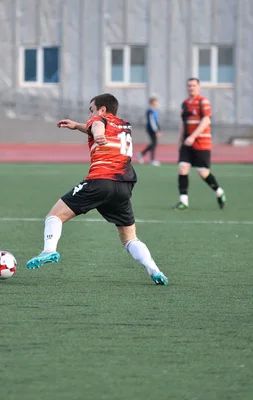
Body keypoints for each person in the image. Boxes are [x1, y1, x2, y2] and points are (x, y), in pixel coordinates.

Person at [25, 93, 168, 285]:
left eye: (91, 109)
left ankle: (49, 250)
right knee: (129, 238)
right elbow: (96, 127)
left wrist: (98, 134)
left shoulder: (99, 120)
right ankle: (154, 270)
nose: (90, 114)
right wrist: (77, 126)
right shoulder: (124, 125)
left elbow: (97, 126)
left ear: (102, 109)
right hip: (124, 187)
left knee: (54, 216)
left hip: (100, 181)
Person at [174, 78, 226, 210]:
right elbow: (183, 123)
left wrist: (193, 136)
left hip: (201, 142)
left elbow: (206, 120)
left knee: (203, 173)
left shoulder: (203, 101)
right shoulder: (185, 104)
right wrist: (180, 141)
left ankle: (219, 192)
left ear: (199, 87)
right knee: (183, 168)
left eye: (194, 85)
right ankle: (183, 201)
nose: (191, 87)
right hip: (187, 143)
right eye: (189, 85)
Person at [137, 96, 162, 166]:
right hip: (151, 130)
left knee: (153, 144)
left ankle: (141, 154)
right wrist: (156, 131)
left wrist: (159, 129)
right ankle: (152, 160)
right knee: (154, 144)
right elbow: (152, 122)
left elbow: (156, 121)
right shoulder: (150, 111)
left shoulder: (155, 110)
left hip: (154, 129)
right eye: (156, 101)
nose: (157, 103)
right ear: (152, 102)